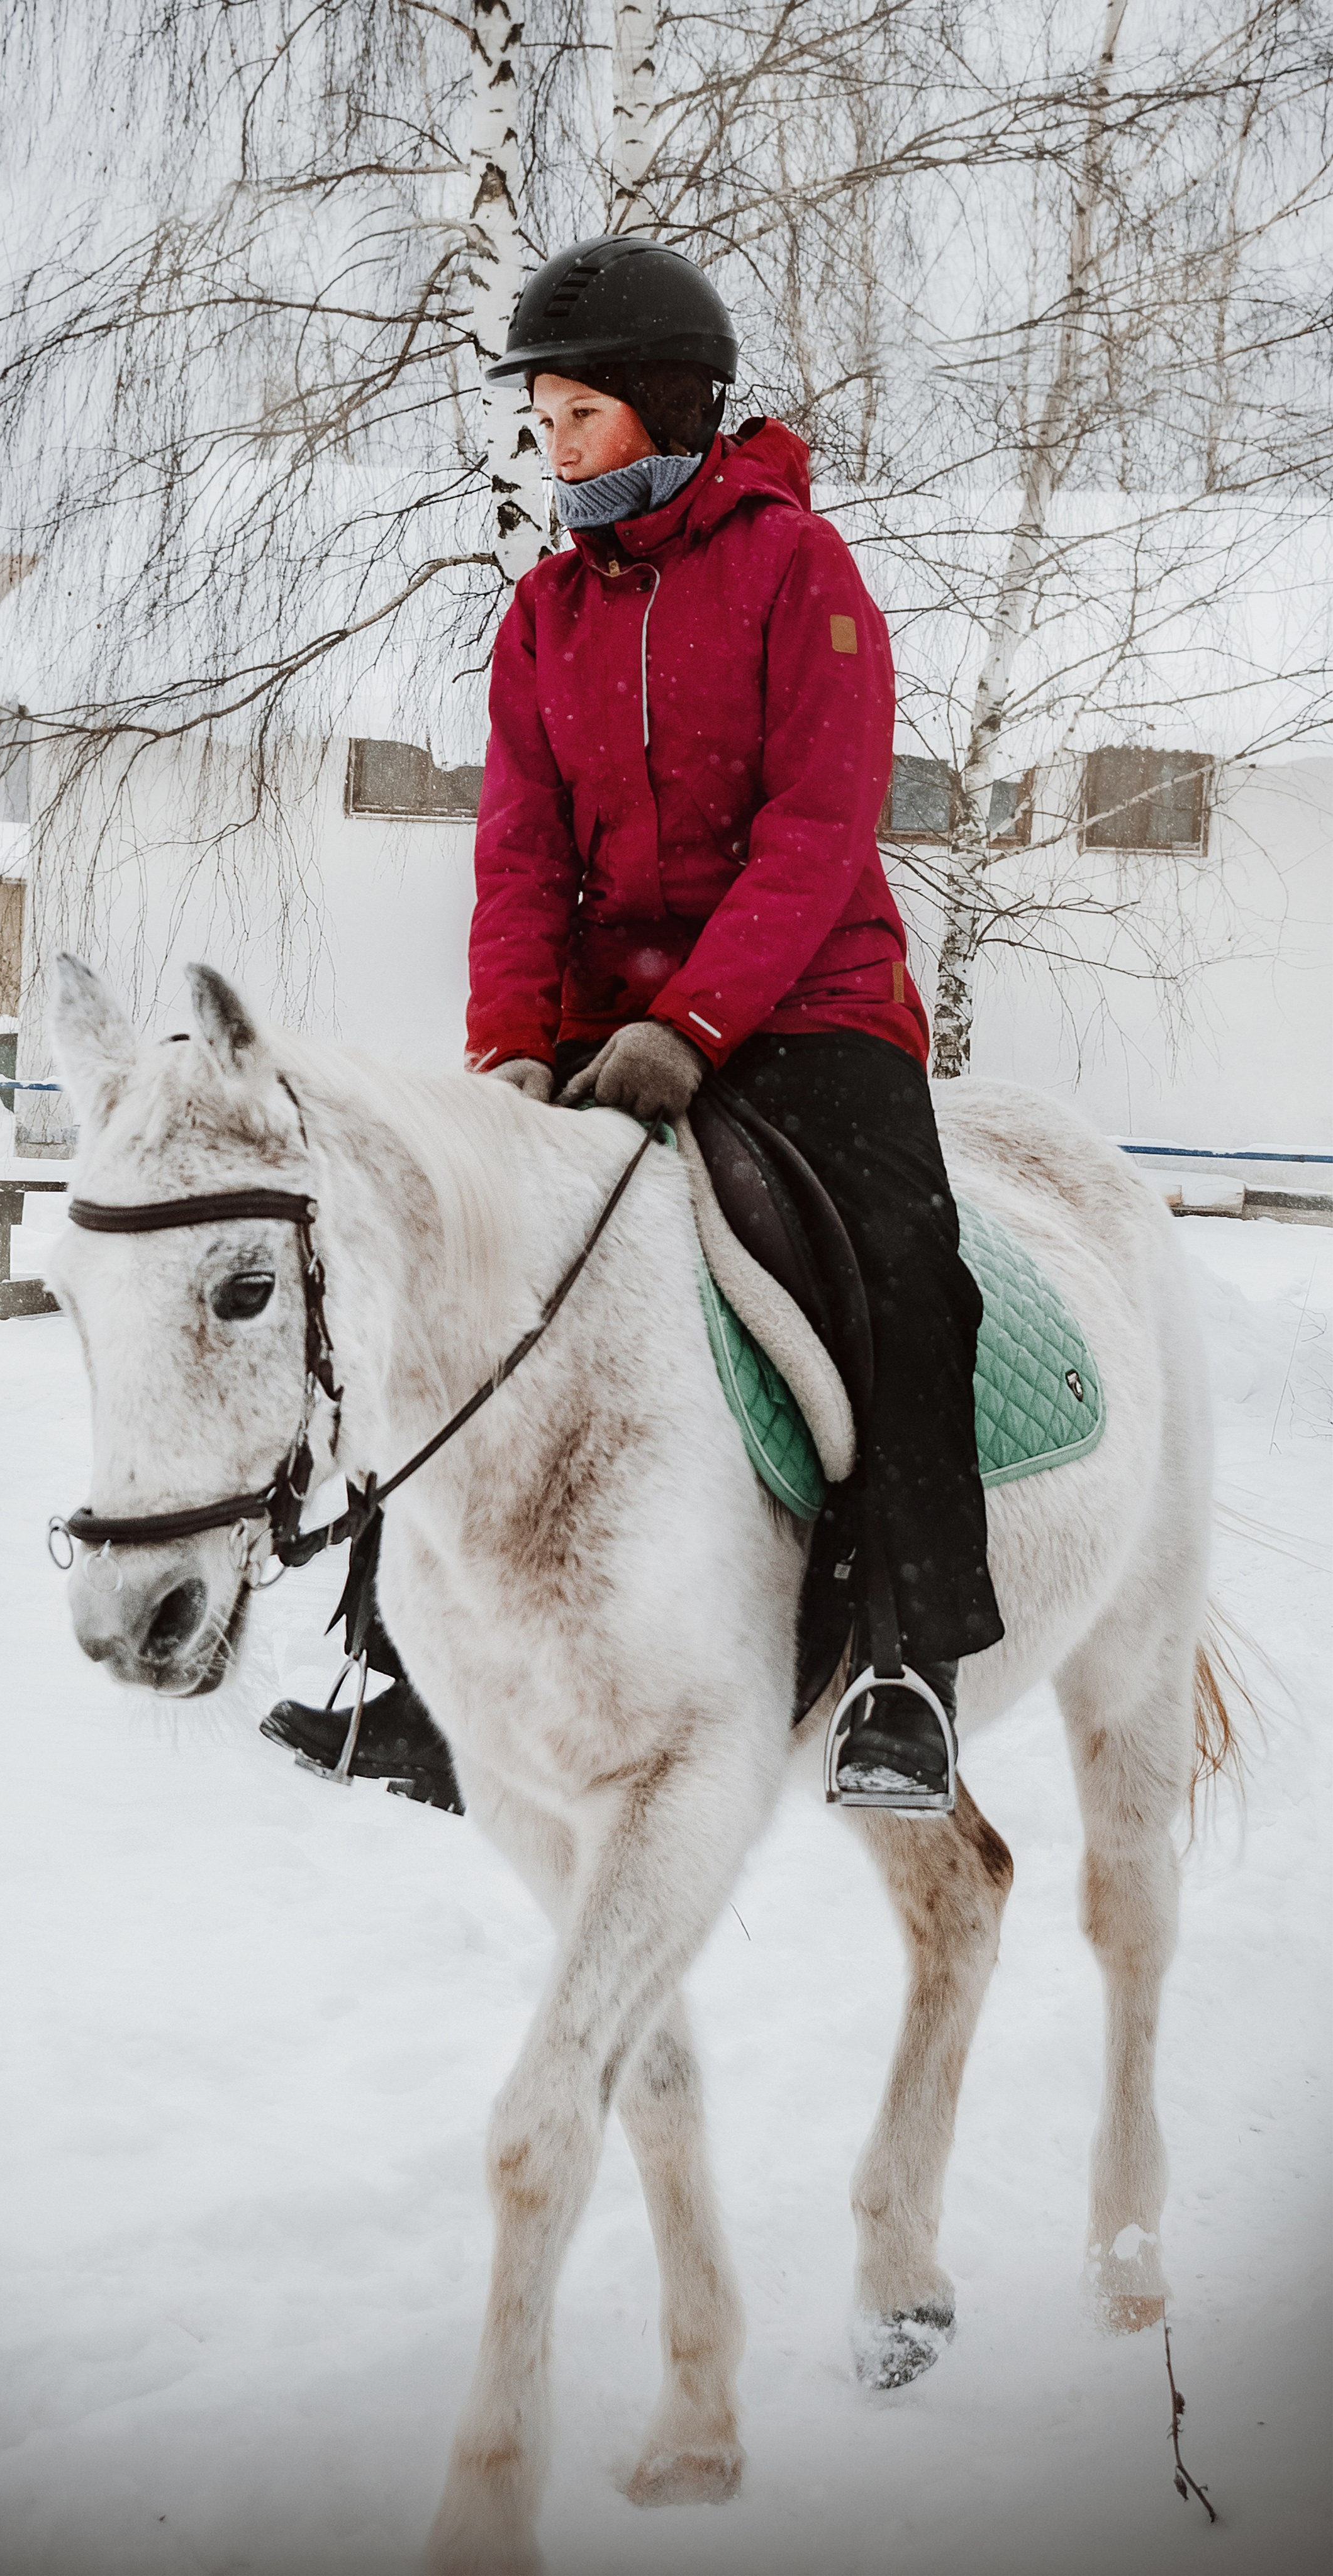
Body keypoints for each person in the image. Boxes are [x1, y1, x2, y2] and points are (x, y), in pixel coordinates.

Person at [468, 235, 1003, 1808]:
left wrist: (694, 1024)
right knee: (457, 1250)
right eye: (541, 421)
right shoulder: (545, 614)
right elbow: (519, 852)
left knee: (908, 1274)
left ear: (660, 403)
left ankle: (908, 1663)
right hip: (600, 1020)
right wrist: (512, 1040)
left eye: (576, 415)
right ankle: (409, 1653)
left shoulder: (797, 570)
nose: (551, 446)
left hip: (813, 1004)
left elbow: (818, 830)